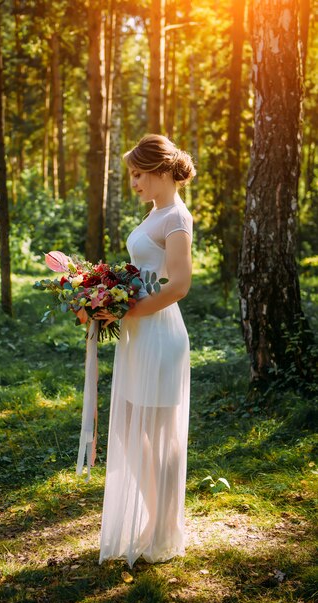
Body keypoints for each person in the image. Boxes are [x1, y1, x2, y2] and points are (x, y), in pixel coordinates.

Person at [94, 134, 196, 567]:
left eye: (138, 174)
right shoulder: (154, 212)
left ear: (159, 171)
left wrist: (128, 311)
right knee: (132, 432)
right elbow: (143, 271)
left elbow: (179, 284)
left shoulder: (176, 218)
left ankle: (163, 529)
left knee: (158, 437)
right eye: (132, 175)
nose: (133, 182)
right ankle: (154, 518)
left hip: (160, 334)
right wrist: (106, 294)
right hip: (139, 333)